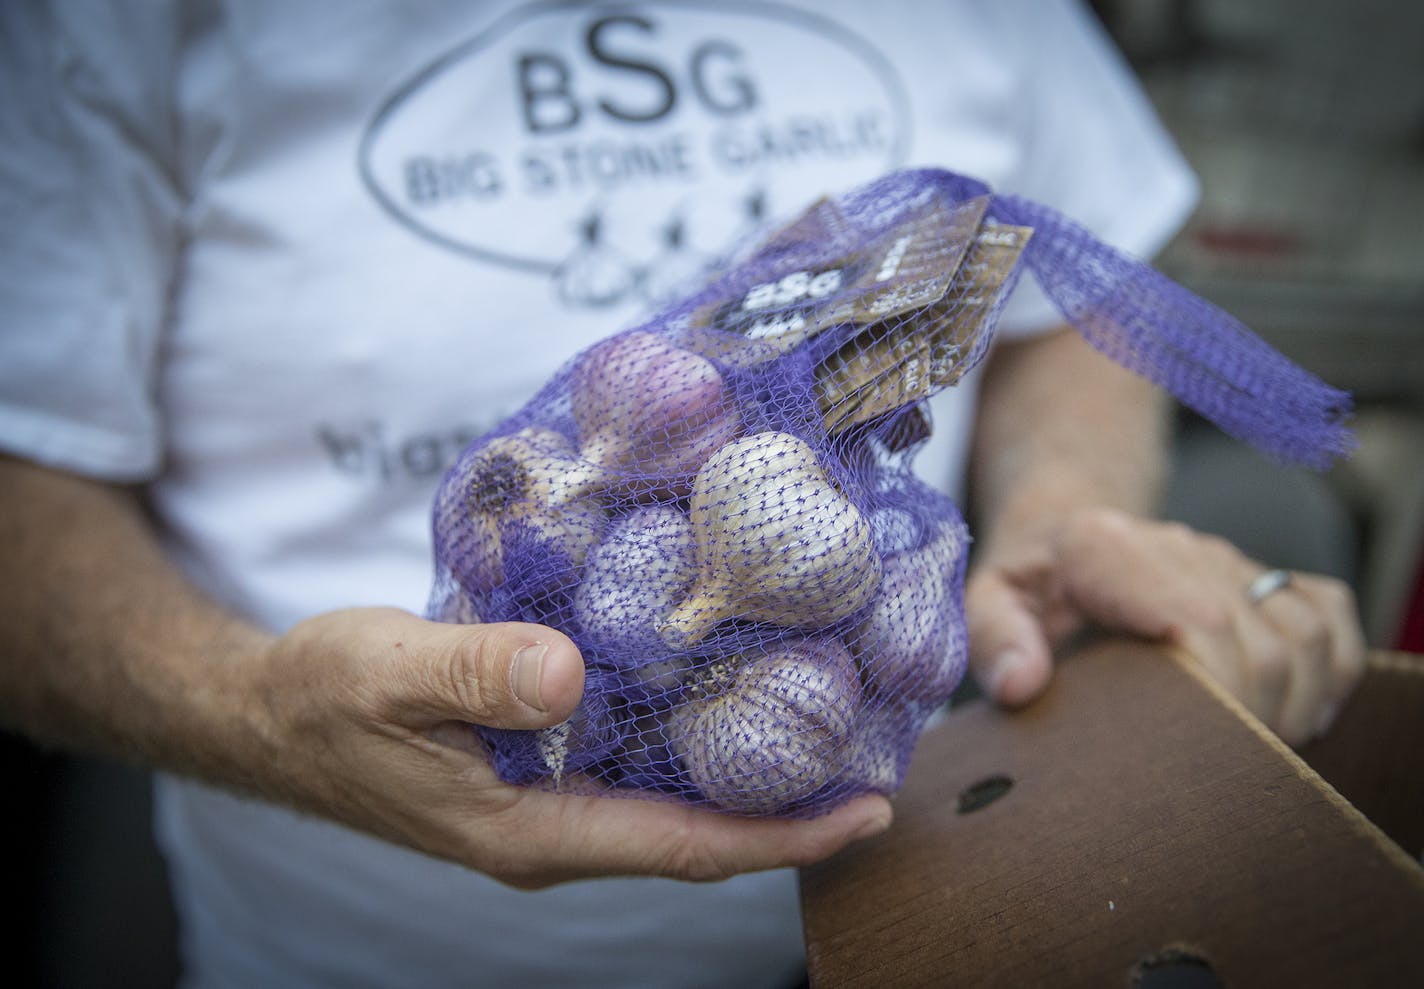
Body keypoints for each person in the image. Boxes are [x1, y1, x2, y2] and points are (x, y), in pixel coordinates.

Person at [0, 2, 1365, 986]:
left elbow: (1076, 278)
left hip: (928, 909)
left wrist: (1060, 502)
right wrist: (262, 713)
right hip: (353, 949)